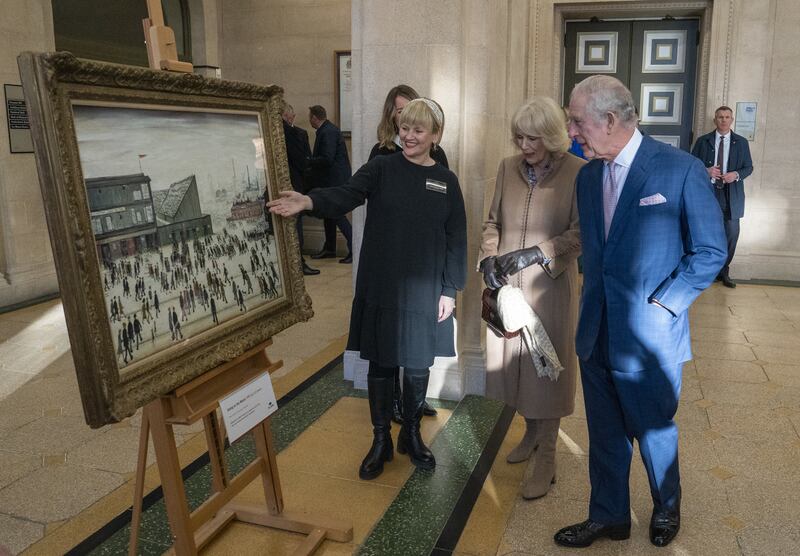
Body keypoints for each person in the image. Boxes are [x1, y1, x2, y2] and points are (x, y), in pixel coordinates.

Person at [554, 75, 726, 549]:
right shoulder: (588, 177)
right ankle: (608, 515)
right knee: (606, 436)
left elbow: (711, 250)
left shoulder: (680, 169)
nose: (572, 132)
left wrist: (664, 305)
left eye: (577, 121)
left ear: (610, 119)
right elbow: (595, 249)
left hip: (651, 338)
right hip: (596, 331)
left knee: (654, 433)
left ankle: (666, 508)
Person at [269, 98, 466, 480]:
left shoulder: (445, 180)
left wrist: (449, 290)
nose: (408, 136)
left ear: (435, 136)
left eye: (418, 130)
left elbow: (456, 236)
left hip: (425, 288)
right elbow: (346, 194)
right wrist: (309, 200)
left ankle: (410, 433)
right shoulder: (381, 168)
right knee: (381, 360)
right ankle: (381, 440)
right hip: (383, 283)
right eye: (404, 127)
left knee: (418, 362)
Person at [478, 96, 584, 500]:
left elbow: (580, 233)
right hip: (507, 290)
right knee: (514, 367)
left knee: (547, 370)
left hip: (550, 288)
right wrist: (489, 256)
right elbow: (492, 222)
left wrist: (540, 253)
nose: (524, 146)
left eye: (533, 138)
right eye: (519, 137)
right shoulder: (507, 168)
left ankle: (548, 457)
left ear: (553, 137)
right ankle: (531, 434)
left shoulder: (578, 172)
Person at [368, 84, 449, 423]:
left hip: (422, 265)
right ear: (392, 115)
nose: (404, 119)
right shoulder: (381, 155)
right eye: (399, 112)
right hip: (390, 261)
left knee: (416, 345)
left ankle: (412, 412)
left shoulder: (438, 159)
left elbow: (445, 212)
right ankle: (392, 411)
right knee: (386, 345)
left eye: (411, 111)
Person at [691, 106, 753, 288]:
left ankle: (723, 270)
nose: (723, 120)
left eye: (727, 117)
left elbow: (748, 167)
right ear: (715, 120)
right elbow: (691, 166)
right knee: (706, 232)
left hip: (731, 194)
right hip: (708, 193)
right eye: (720, 117)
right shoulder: (703, 141)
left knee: (732, 233)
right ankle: (707, 271)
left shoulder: (741, 142)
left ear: (732, 120)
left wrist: (736, 175)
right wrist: (705, 170)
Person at [307, 105, 354, 263]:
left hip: (334, 180)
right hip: (332, 179)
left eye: (310, 117)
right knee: (329, 213)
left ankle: (354, 247)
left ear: (314, 117)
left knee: (337, 214)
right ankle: (330, 248)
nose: (309, 120)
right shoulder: (329, 130)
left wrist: (308, 161)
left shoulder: (327, 132)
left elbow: (327, 158)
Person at [281, 102, 319, 276]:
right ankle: (298, 264)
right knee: (296, 227)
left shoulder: (296, 133)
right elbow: (303, 162)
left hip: (288, 185)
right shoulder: (294, 133)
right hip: (293, 184)